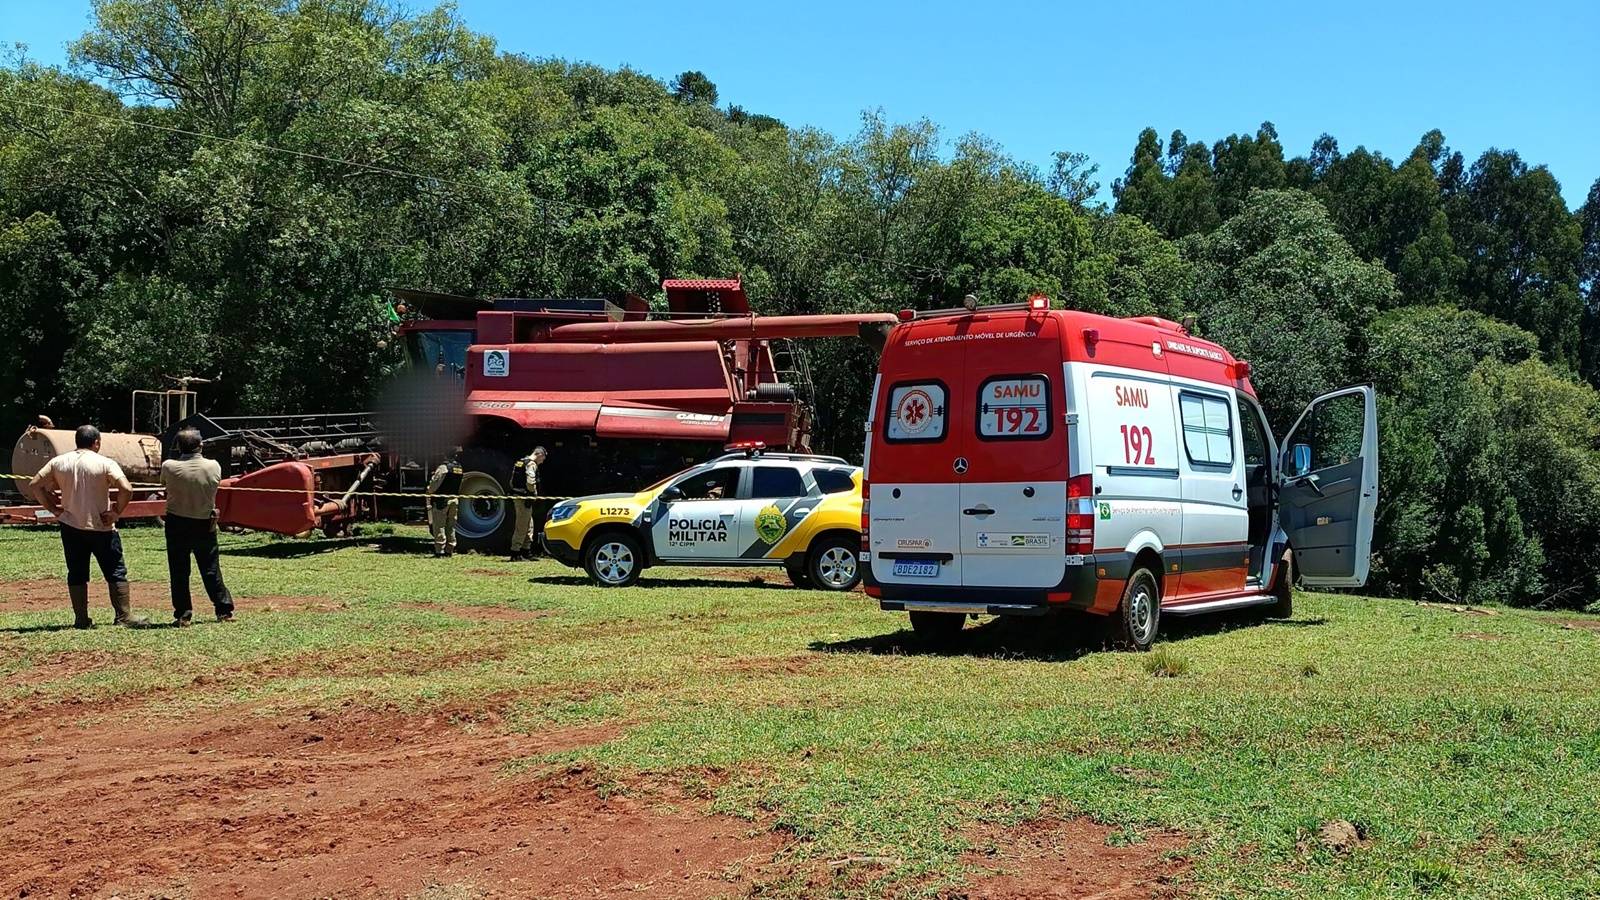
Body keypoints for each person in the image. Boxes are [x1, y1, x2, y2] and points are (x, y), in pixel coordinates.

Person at [28, 425, 148, 628]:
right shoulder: (105, 463)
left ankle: (81, 619)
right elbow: (126, 488)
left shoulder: (58, 462)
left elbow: (34, 485)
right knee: (116, 571)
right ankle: (123, 617)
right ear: (97, 442)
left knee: (76, 572)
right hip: (101, 526)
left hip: (71, 525)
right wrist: (116, 512)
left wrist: (53, 509)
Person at [159, 427, 235, 626]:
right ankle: (223, 609)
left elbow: (164, 485)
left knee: (179, 570)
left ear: (178, 447)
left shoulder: (168, 466)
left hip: (177, 522)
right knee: (210, 568)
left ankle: (183, 614)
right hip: (204, 522)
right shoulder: (213, 466)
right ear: (201, 446)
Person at [508, 446, 548, 561]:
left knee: (529, 524)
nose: (542, 461)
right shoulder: (531, 464)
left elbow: (512, 480)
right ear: (539, 454)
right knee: (522, 526)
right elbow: (530, 481)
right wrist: (533, 493)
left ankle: (526, 551)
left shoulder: (521, 462)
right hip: (524, 498)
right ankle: (515, 553)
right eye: (543, 458)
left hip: (519, 496)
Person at [428, 447, 464, 557]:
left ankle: (440, 551)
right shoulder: (459, 468)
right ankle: (450, 550)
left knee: (439, 525)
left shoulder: (443, 468)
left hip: (441, 500)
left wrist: (429, 491)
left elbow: (434, 484)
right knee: (451, 525)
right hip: (454, 499)